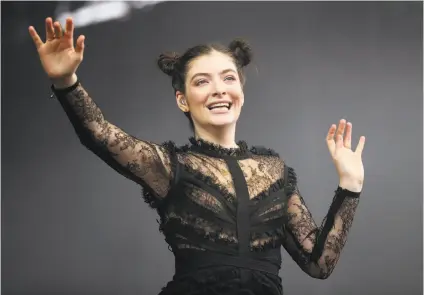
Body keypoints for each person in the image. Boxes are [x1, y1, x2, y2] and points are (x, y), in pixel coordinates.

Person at [29, 17, 366, 295]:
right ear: (182, 100)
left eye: (228, 78)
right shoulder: (170, 166)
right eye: (202, 82)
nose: (218, 89)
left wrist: (350, 186)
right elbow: (100, 134)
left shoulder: (275, 171)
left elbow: (318, 264)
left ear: (240, 94)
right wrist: (65, 80)